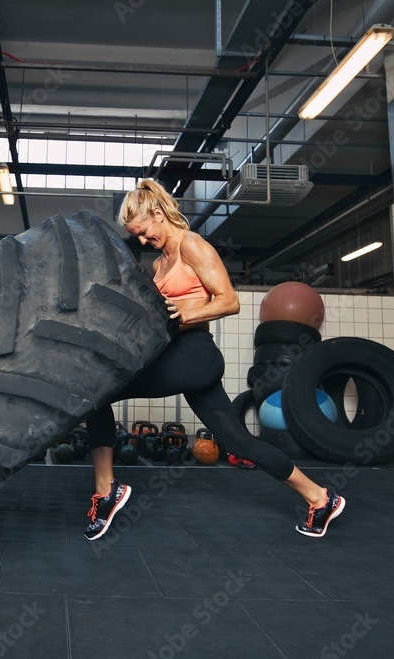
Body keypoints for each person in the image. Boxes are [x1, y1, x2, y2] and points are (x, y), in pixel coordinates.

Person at [83, 179, 345, 541]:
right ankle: (321, 498)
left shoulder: (192, 245)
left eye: (143, 232)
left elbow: (229, 300)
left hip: (195, 354)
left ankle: (105, 490)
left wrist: (183, 316)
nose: (142, 241)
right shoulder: (160, 264)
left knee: (97, 391)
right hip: (180, 356)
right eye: (137, 237)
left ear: (158, 215)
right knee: (239, 443)